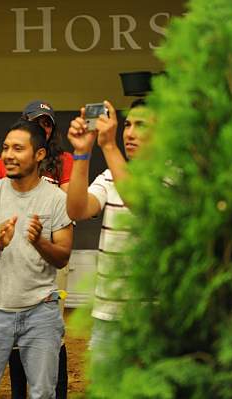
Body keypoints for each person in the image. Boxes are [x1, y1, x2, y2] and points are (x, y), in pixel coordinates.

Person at [0, 120, 73, 398]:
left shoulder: (57, 199)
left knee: (43, 393)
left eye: (17, 148)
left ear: (39, 155)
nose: (8, 155)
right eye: (5, 148)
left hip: (42, 312)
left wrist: (39, 242)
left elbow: (62, 257)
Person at [65, 99, 153, 366]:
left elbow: (139, 201)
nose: (129, 133)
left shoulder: (174, 174)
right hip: (107, 313)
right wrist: (82, 154)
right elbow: (77, 210)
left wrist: (109, 145)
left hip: (152, 315)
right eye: (127, 125)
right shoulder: (109, 175)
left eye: (141, 125)